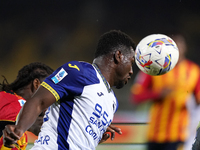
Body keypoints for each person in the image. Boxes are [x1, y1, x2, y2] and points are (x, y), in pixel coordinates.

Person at [3, 30, 135, 150]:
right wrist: (19, 129)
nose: (131, 71)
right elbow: (38, 101)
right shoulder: (80, 72)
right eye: (131, 62)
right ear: (118, 56)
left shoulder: (112, 101)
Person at [130, 34, 200, 150]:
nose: (177, 49)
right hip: (154, 134)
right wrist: (158, 94)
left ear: (185, 48)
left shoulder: (194, 71)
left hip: (179, 134)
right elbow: (136, 96)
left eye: (180, 45)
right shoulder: (153, 67)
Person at [0, 62, 54, 150]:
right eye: (50, 90)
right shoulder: (15, 103)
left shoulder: (7, 98)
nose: (51, 97)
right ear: (37, 84)